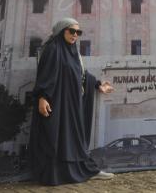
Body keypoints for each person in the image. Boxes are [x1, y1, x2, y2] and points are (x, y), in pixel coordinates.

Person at [29, 18, 114, 186]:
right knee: (56, 138)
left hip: (73, 104)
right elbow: (44, 75)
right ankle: (56, 175)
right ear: (62, 31)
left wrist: (97, 85)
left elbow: (81, 75)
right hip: (57, 103)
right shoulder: (53, 49)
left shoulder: (74, 52)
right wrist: (42, 97)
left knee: (74, 138)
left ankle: (87, 170)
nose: (75, 35)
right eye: (71, 31)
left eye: (78, 32)